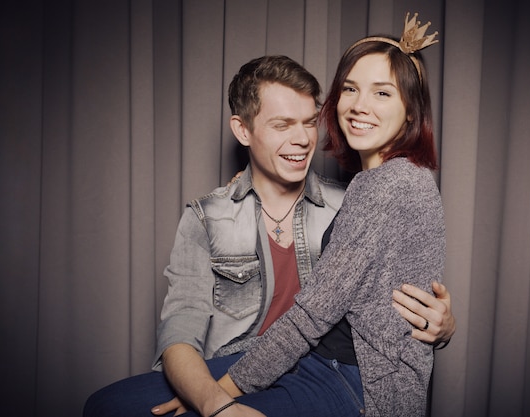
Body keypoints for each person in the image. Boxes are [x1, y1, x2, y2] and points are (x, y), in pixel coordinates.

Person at [84, 44, 453, 417]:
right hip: (252, 359)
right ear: (242, 130)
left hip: (323, 370)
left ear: (410, 113)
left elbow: (337, 313)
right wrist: (212, 400)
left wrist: (440, 326)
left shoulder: (353, 198)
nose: (303, 139)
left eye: (309, 122)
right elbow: (179, 331)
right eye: (281, 125)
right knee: (106, 405)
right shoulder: (209, 216)